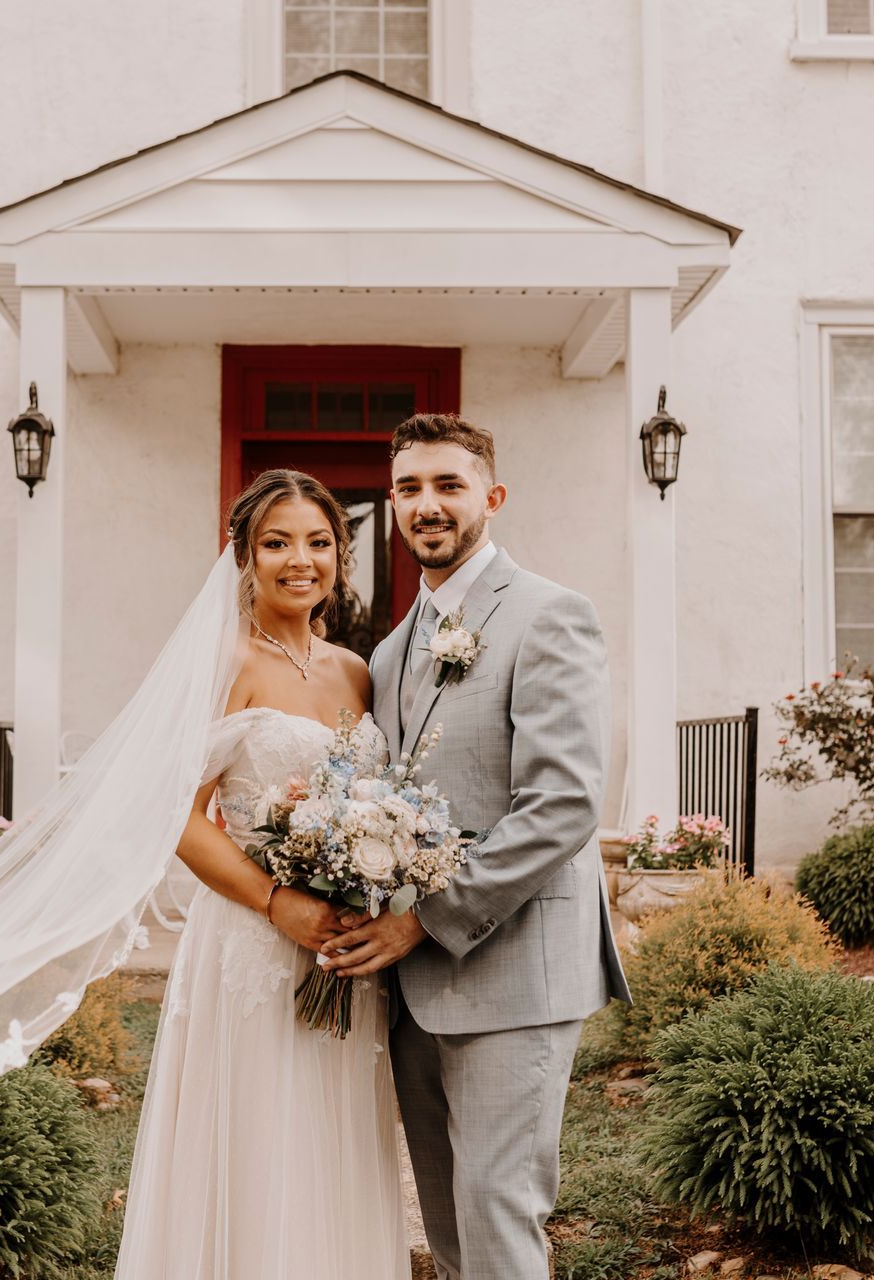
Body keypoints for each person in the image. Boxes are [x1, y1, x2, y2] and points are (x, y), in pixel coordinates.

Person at [322, 413, 631, 1280]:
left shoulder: (549, 616)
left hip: (513, 970)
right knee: (453, 1231)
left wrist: (423, 918)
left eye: (449, 485)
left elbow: (563, 804)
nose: (429, 505)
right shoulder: (387, 651)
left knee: (500, 1221)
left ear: (491, 498)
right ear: (391, 503)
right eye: (411, 488)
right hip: (411, 989)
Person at [113, 468, 406, 1277]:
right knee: (259, 1129)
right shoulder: (227, 660)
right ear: (244, 555)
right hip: (254, 941)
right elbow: (176, 815)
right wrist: (279, 903)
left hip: (341, 950)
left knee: (332, 1131)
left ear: (341, 556)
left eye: (318, 542)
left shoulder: (356, 670)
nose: (298, 560)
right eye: (276, 543)